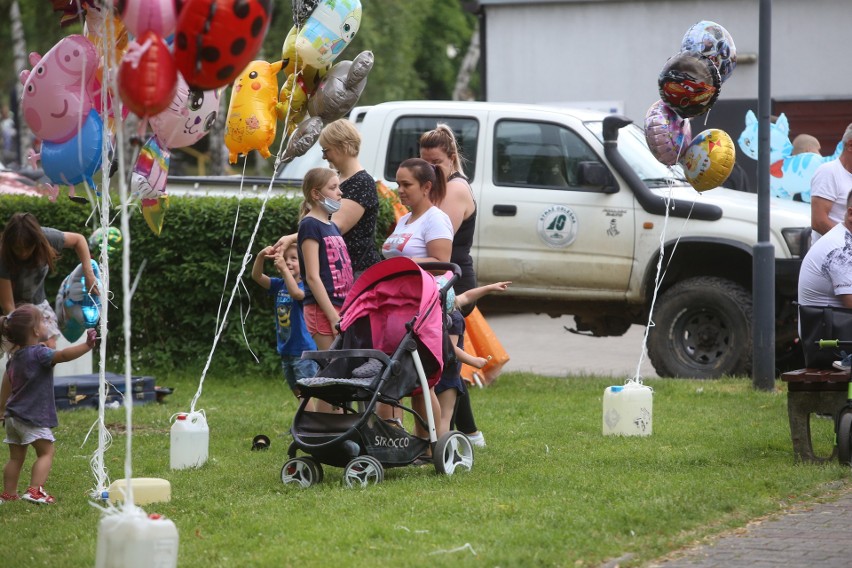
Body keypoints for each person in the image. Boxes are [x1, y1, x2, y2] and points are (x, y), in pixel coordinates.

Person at [419, 124, 486, 446]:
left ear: (452, 157)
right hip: (439, 279)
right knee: (447, 358)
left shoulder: (456, 189)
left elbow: (436, 238)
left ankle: (464, 432)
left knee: (444, 358)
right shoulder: (439, 187)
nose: (430, 170)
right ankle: (469, 431)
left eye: (436, 163)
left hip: (454, 282)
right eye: (424, 163)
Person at [382, 158, 453, 444]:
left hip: (423, 308)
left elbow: (442, 262)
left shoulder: (436, 218)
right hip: (399, 306)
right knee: (406, 378)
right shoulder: (404, 219)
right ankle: (408, 442)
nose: (400, 189)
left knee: (423, 381)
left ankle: (431, 446)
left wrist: (408, 263)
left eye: (406, 184)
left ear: (426, 187)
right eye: (397, 183)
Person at [0, 304, 98, 504]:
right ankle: (35, 491)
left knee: (15, 458)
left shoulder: (14, 358)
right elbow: (62, 356)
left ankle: (8, 494)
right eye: (43, 321)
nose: (47, 324)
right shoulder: (40, 354)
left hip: (12, 417)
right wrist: (87, 346)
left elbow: (5, 385)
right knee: (46, 452)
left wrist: (1, 408)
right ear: (36, 331)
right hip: (31, 417)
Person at [0, 213, 98, 349]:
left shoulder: (47, 238)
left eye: (27, 248)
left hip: (38, 303)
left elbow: (78, 240)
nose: (22, 253)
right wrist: (23, 336)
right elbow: (7, 305)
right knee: (22, 354)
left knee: (49, 347)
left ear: (36, 241)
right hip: (13, 311)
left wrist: (89, 275)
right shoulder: (2, 255)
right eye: (17, 249)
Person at [435, 280, 511, 437]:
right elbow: (451, 348)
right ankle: (439, 449)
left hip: (431, 371)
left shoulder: (431, 317)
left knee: (429, 414)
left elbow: (467, 296)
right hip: (447, 375)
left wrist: (490, 287)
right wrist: (474, 361)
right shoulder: (453, 318)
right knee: (444, 416)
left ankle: (424, 446)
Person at [251, 243, 318, 399]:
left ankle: (310, 420)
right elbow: (257, 276)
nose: (288, 262)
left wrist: (284, 270)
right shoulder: (279, 285)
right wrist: (261, 256)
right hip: (286, 350)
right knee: (298, 392)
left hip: (303, 351)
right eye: (285, 259)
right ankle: (307, 419)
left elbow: (296, 295)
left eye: (294, 258)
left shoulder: (306, 287)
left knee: (306, 392)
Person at [318, 119, 381, 278]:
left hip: (356, 273)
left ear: (343, 146)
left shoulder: (361, 182)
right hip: (340, 270)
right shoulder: (338, 179)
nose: (324, 156)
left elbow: (334, 227)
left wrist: (292, 238)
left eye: (326, 150)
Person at [810, 124, 852, 243]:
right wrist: (848, 243)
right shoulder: (829, 172)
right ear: (850, 145)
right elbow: (819, 222)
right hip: (834, 256)